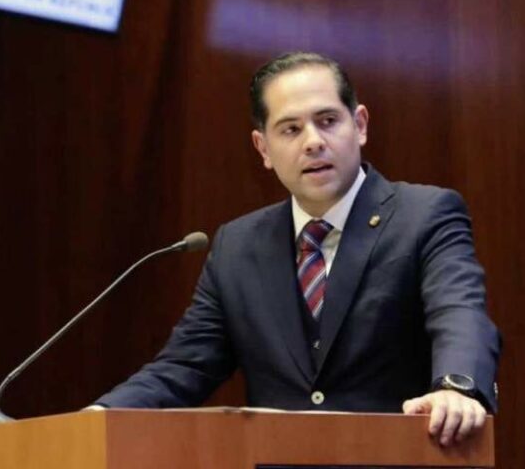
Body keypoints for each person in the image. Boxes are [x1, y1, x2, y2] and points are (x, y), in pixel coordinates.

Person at [94, 52, 501, 447]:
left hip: (397, 456)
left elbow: (458, 312)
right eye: (290, 129)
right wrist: (98, 416)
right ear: (263, 148)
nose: (313, 142)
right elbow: (185, 365)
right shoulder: (238, 246)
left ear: (359, 125)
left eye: (327, 121)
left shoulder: (424, 215)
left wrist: (456, 387)